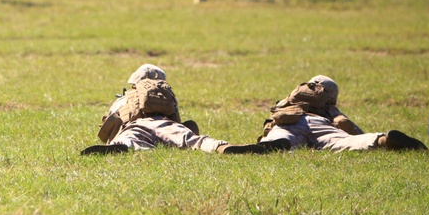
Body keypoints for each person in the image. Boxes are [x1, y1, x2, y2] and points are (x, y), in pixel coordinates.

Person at [81, 64, 290, 155]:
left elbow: (111, 123)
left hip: (135, 125)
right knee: (195, 142)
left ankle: (122, 147)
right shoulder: (167, 95)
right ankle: (222, 148)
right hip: (166, 124)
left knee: (129, 140)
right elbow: (178, 120)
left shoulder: (126, 98)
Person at [256, 74, 428, 152]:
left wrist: (268, 134)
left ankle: (273, 145)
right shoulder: (328, 107)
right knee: (343, 142)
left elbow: (270, 125)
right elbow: (342, 124)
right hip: (320, 124)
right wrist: (361, 134)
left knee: (283, 139)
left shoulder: (288, 101)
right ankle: (382, 140)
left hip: (289, 122)